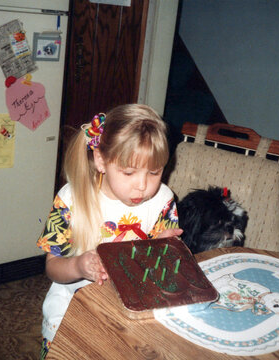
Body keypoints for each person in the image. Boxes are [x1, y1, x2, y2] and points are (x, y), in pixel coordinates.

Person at [36, 104, 182, 358]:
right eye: (128, 172)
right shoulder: (70, 199)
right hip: (73, 312)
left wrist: (162, 250)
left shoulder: (164, 200)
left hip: (131, 313)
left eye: (155, 172)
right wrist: (79, 267)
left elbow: (158, 269)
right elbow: (52, 267)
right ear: (101, 160)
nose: (143, 186)